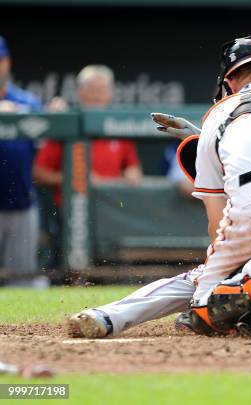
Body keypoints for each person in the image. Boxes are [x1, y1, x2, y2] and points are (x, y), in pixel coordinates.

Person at [66, 35, 251, 339]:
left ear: (229, 81)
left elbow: (217, 225)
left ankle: (114, 315)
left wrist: (219, 268)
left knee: (201, 299)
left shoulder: (218, 114)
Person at [34, 64, 143, 200]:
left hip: (111, 207)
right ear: (80, 92)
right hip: (73, 205)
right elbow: (39, 173)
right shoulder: (67, 124)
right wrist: (75, 179)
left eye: (101, 91)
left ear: (110, 93)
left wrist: (131, 174)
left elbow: (133, 167)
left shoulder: (118, 125)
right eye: (92, 90)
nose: (96, 97)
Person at [0, 36, 45, 288]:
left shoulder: (27, 102)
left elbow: (45, 149)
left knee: (21, 282)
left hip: (20, 203)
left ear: (7, 62)